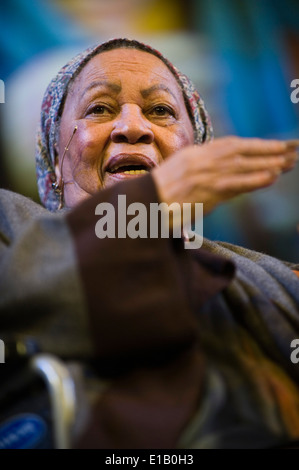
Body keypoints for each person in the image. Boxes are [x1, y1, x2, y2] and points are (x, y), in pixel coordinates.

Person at [1, 38, 299, 449]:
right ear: (54, 160)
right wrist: (150, 204)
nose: (133, 127)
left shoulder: (272, 280)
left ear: (198, 155)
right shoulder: (8, 225)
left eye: (160, 111)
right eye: (100, 108)